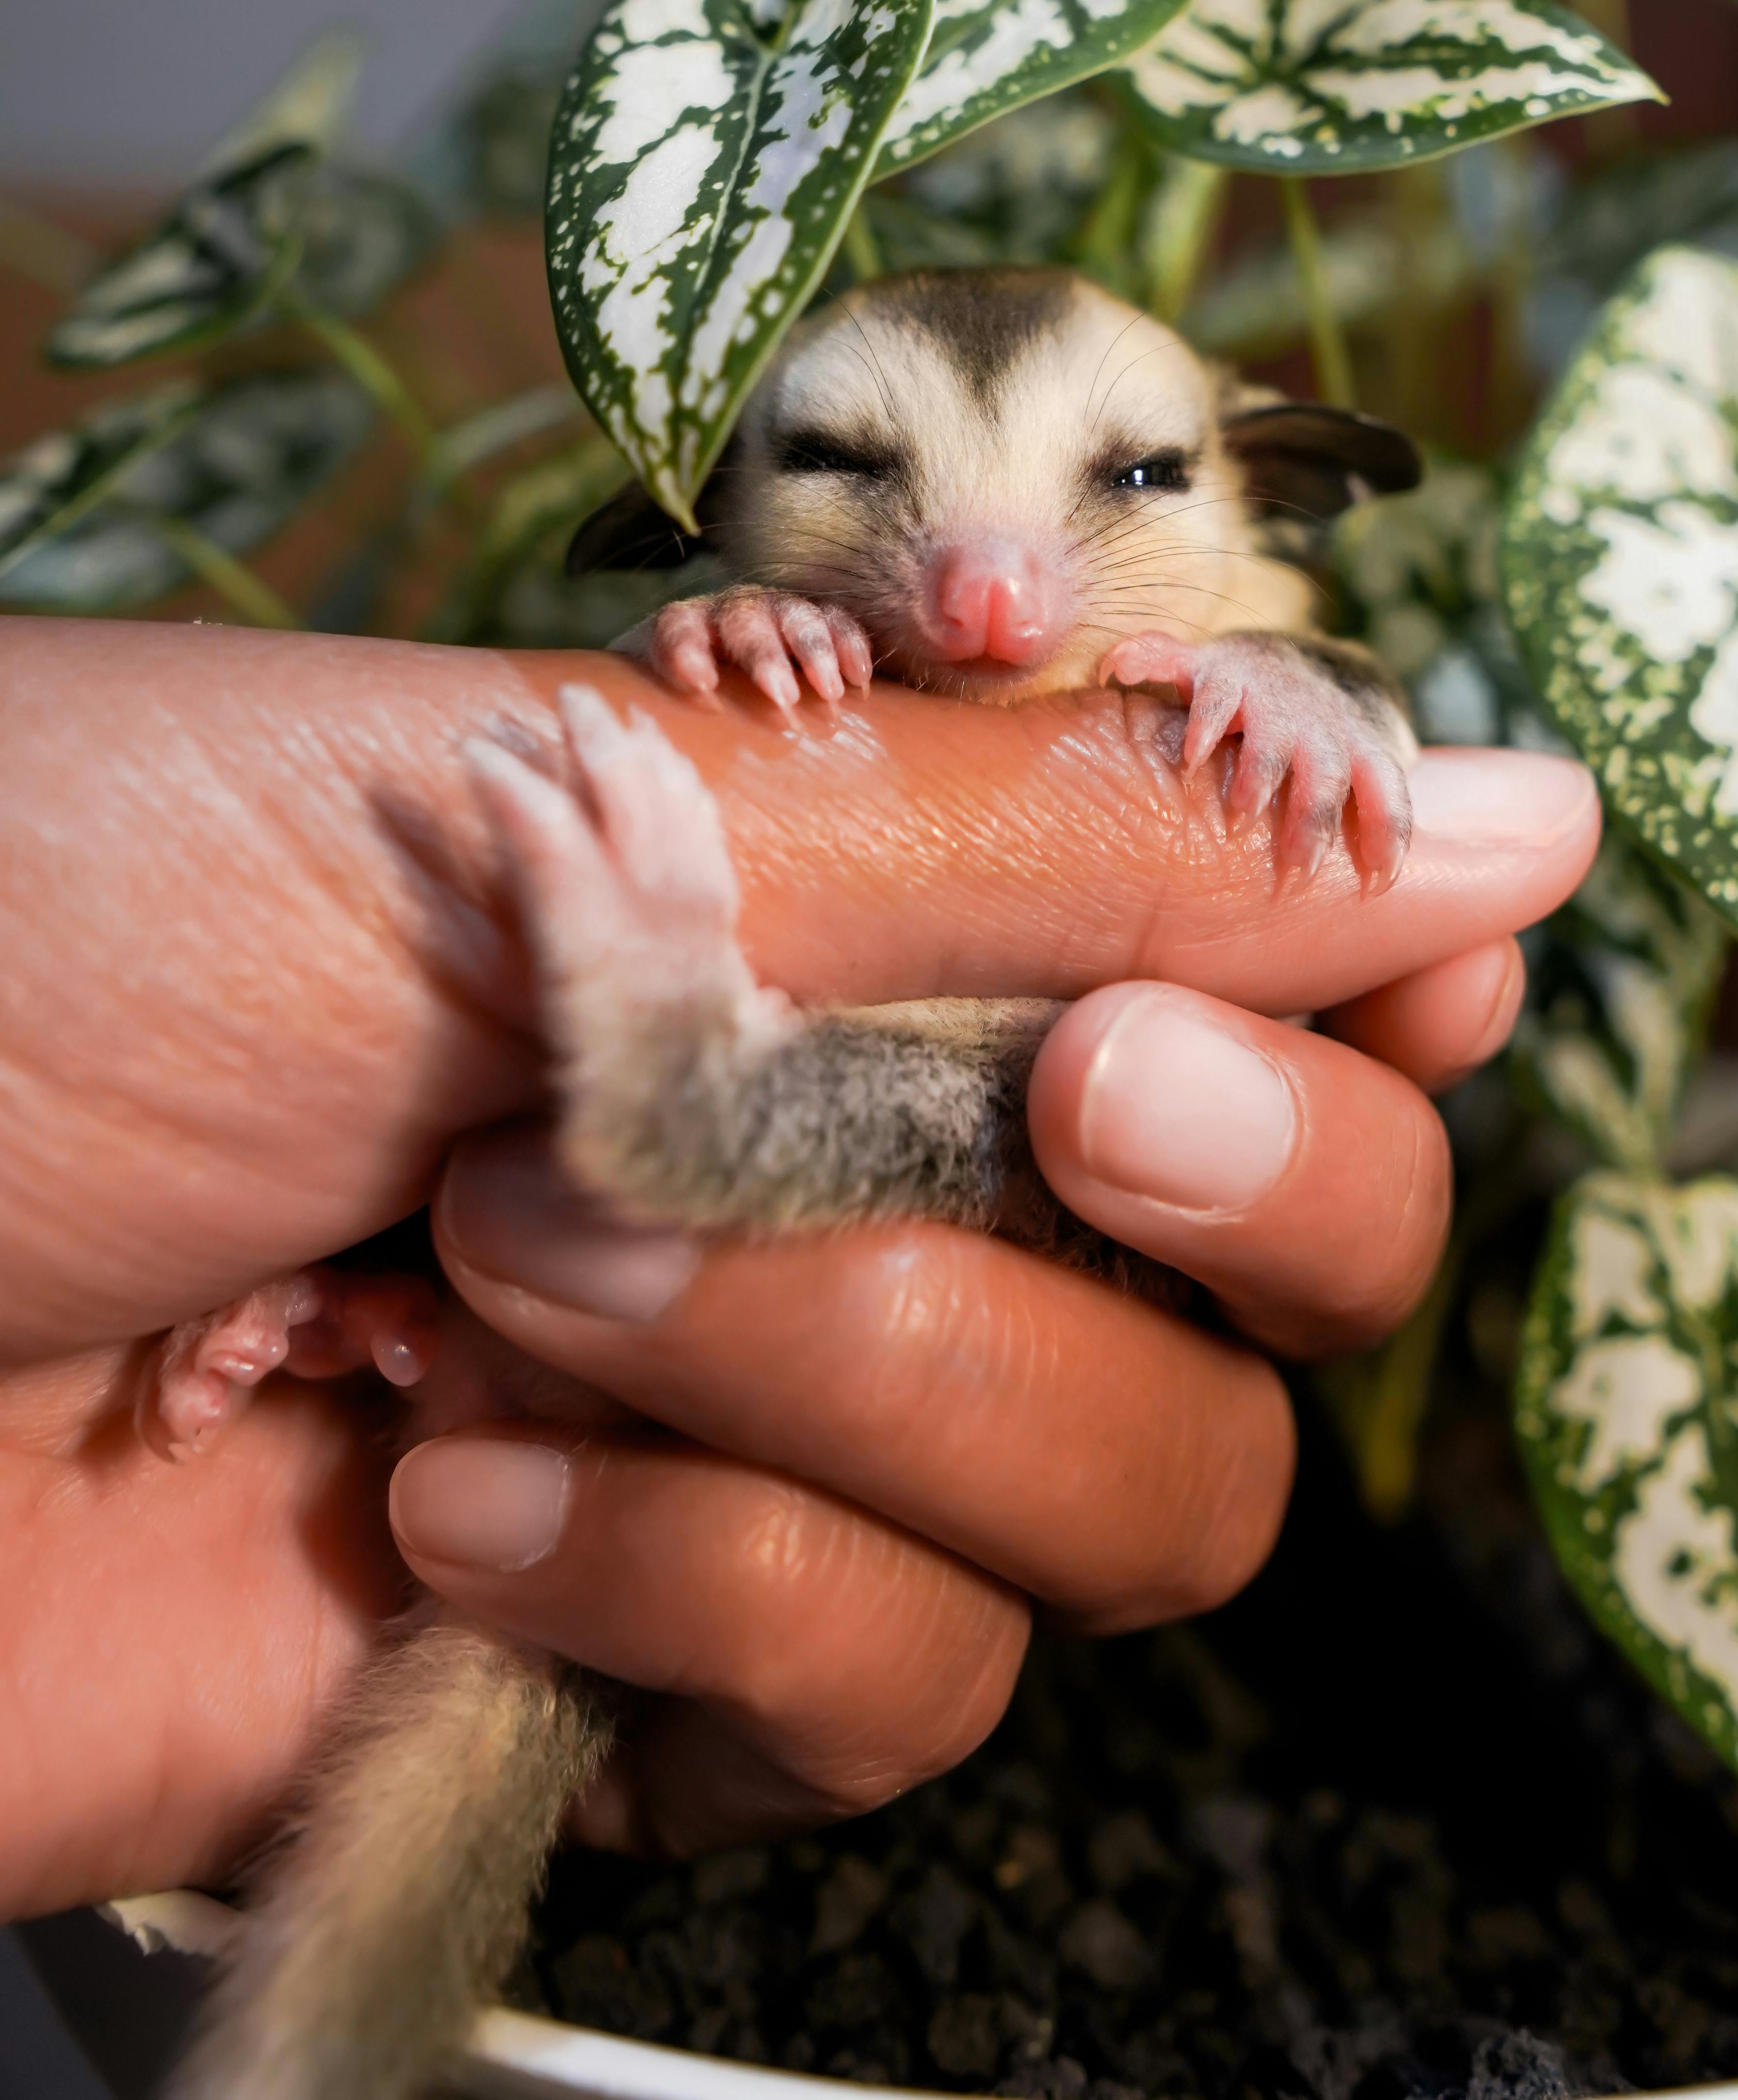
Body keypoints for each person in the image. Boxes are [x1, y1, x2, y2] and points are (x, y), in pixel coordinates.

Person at [0, 617, 1597, 1922]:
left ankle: (493, 1266)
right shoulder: (779, 650)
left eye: (1127, 479)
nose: (991, 591)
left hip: (623, 1302)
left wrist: (1312, 702)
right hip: (538, 1237)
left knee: (1020, 1134)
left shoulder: (1220, 635)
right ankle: (544, 1211)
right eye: (857, 469)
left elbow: (1352, 706)